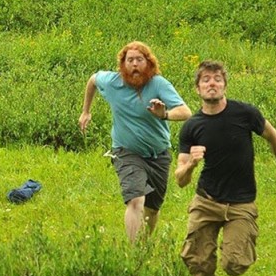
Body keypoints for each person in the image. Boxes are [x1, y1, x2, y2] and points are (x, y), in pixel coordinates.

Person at [174, 61, 276, 276]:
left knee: (234, 263)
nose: (212, 83)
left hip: (241, 202)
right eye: (206, 80)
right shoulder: (192, 126)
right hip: (206, 201)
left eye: (217, 79)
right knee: (198, 260)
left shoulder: (245, 113)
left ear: (225, 85)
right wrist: (191, 165)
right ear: (198, 88)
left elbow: (272, 136)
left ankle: (241, 242)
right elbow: (180, 179)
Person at [78, 41, 192, 242]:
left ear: (148, 63)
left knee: (152, 208)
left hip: (158, 154)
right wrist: (86, 111)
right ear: (122, 64)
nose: (134, 64)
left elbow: (185, 112)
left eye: (139, 60)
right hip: (126, 151)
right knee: (136, 199)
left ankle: (142, 247)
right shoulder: (112, 82)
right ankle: (132, 255)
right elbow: (93, 80)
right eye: (129, 60)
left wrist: (164, 114)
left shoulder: (158, 84)